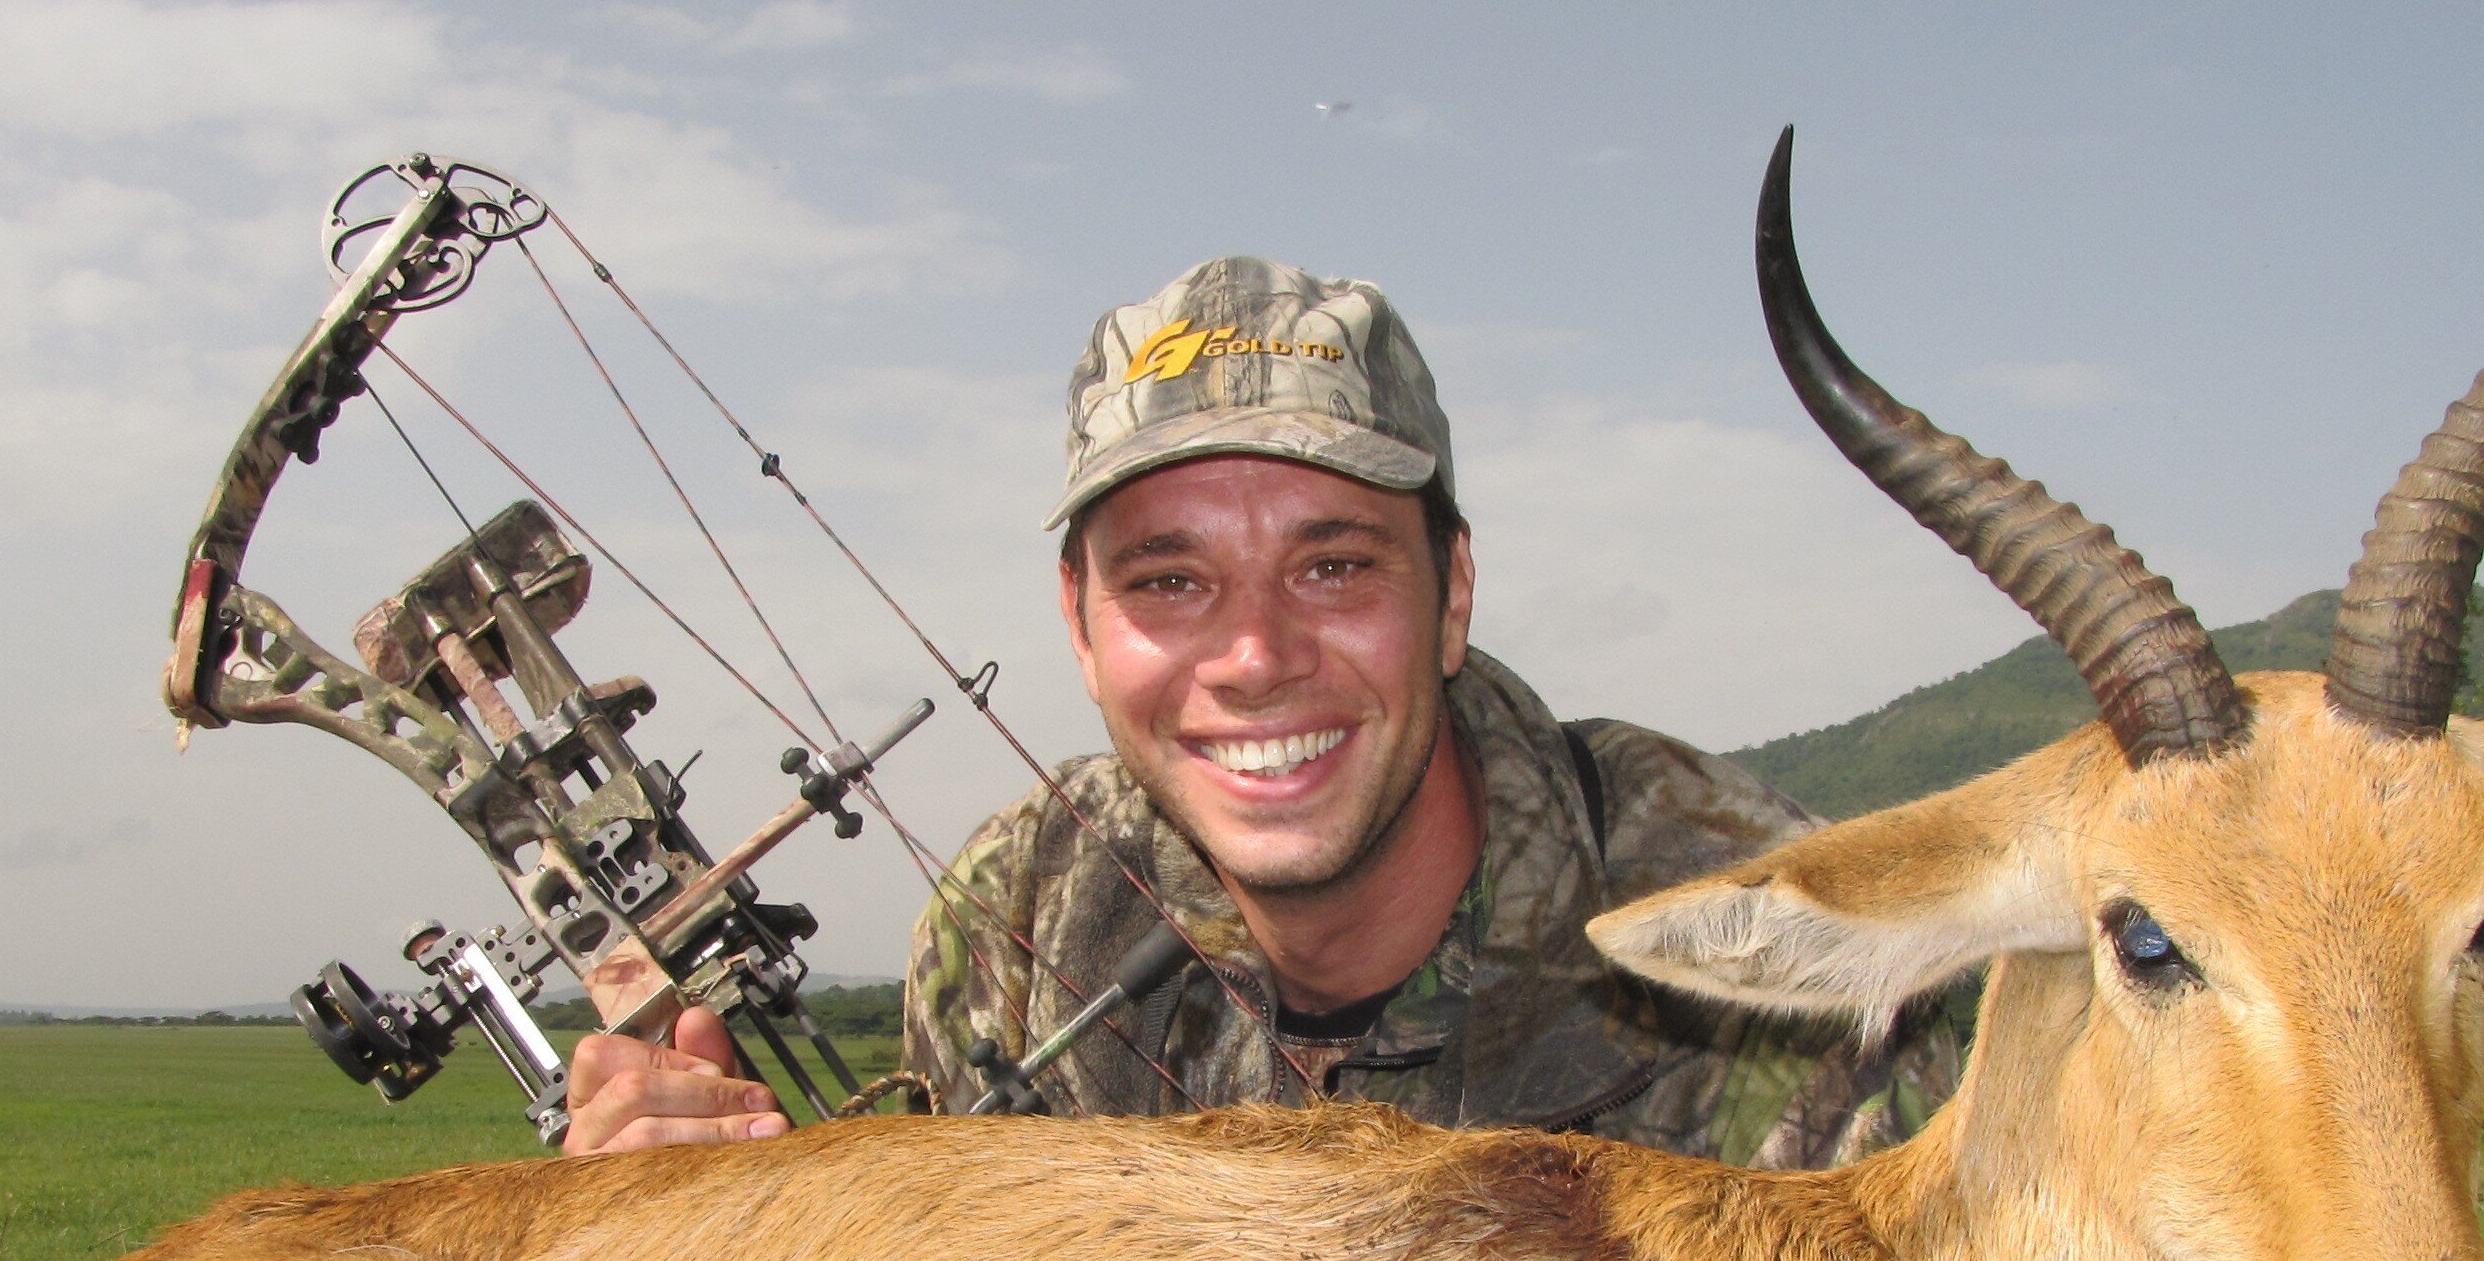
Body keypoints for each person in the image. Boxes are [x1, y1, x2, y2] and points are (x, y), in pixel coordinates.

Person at [561, 256, 1955, 1161]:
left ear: (1452, 594)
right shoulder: (1015, 923)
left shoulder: (1788, 969)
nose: (1252, 654)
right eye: (1169, 582)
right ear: (1081, 630)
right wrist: (704, 1250)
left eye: (1334, 565)